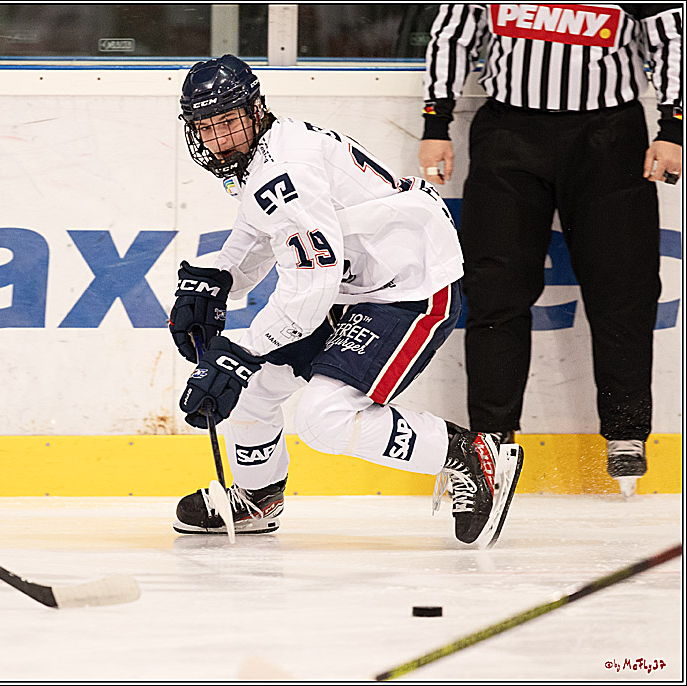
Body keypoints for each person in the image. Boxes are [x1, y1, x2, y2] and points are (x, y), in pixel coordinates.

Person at [169, 54, 523, 546]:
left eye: (228, 121)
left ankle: (468, 454)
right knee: (252, 385)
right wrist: (217, 280)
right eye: (207, 127)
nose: (219, 138)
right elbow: (260, 231)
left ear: (254, 110)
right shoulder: (266, 152)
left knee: (324, 418)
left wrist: (243, 350)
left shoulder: (281, 170)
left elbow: (313, 280)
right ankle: (258, 498)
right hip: (358, 287)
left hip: (411, 287)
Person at [418, 4, 683, 497]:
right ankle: (491, 439)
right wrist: (437, 123)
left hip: (609, 136)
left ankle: (625, 431)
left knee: (624, 287)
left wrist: (673, 128)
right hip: (508, 134)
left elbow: (671, 39)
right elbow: (452, 36)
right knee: (496, 288)